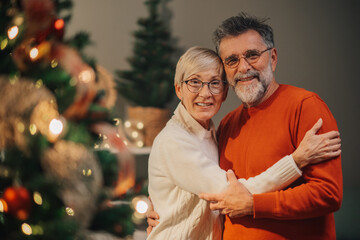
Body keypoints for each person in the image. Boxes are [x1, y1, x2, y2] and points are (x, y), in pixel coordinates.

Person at [146, 46, 341, 239]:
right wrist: (296, 161)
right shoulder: (174, 141)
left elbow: (328, 193)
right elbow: (232, 195)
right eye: (194, 82)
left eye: (214, 83)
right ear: (179, 89)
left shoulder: (215, 133)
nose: (205, 93)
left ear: (224, 92)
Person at [198, 13, 343, 239]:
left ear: (273, 57)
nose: (243, 67)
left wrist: (254, 205)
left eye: (252, 55)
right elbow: (212, 190)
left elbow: (328, 193)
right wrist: (163, 213)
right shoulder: (227, 123)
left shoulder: (306, 107)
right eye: (232, 60)